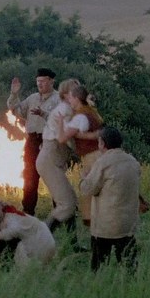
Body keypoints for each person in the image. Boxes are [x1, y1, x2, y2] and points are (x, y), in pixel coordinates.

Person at [80, 127, 141, 271]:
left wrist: (84, 178)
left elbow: (88, 189)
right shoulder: (133, 161)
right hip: (128, 224)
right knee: (129, 268)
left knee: (99, 268)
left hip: (105, 226)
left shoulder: (103, 163)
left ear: (102, 143)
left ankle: (101, 282)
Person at [7, 68, 60, 215]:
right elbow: (16, 111)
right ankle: (28, 211)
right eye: (38, 81)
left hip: (50, 141)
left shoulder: (58, 99)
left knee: (54, 177)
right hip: (32, 141)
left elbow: (61, 121)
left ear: (51, 81)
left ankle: (61, 212)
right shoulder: (32, 98)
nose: (40, 84)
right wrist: (14, 94)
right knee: (30, 176)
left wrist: (43, 113)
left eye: (43, 81)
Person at [37, 78, 81, 232]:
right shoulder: (65, 110)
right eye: (73, 92)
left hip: (53, 160)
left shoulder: (69, 110)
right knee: (67, 203)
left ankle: (72, 240)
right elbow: (68, 138)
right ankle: (42, 235)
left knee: (69, 200)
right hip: (50, 161)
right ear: (65, 94)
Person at [56, 85, 103, 226]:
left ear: (76, 98)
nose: (69, 100)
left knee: (89, 188)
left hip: (92, 156)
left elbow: (62, 138)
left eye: (70, 97)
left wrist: (60, 123)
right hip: (98, 154)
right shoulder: (91, 112)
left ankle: (94, 222)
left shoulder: (80, 116)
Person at [0, 202, 56, 267]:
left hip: (41, 243)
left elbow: (14, 230)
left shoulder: (10, 219)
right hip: (46, 239)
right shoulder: (4, 211)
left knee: (19, 250)